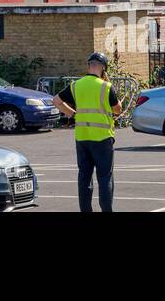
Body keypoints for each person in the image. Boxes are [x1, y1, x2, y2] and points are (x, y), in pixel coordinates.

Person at [51, 51, 121, 212]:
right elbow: (117, 110)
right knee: (104, 177)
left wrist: (72, 114)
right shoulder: (106, 86)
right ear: (103, 68)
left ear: (89, 66)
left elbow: (56, 100)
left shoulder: (76, 85)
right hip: (103, 138)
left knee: (84, 177)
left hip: (82, 137)